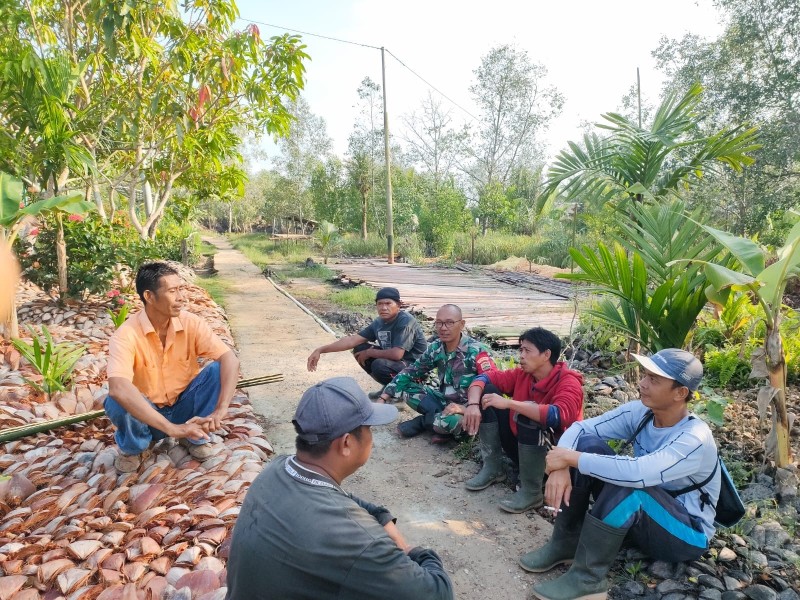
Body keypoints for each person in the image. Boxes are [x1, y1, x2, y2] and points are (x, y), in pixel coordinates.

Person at [225, 377, 454, 600]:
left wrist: (382, 518)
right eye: (368, 429)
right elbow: (438, 593)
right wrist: (411, 550)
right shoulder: (360, 540)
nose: (371, 437)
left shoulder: (277, 468)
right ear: (346, 443)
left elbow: (345, 498)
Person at [521, 349, 719, 600]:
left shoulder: (695, 438)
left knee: (628, 483)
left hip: (686, 533)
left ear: (680, 393)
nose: (643, 383)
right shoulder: (641, 413)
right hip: (647, 516)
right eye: (645, 376)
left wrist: (569, 458)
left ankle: (588, 579)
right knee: (589, 444)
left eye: (654, 380)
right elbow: (581, 428)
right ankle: (566, 542)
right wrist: (561, 466)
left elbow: (637, 473)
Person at [105, 262, 240, 473]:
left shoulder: (191, 323)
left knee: (216, 371)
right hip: (147, 417)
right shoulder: (126, 335)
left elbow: (229, 358)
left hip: (184, 409)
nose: (181, 298)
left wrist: (221, 410)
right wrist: (172, 430)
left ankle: (194, 435)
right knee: (116, 397)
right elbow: (118, 388)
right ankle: (137, 446)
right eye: (172, 291)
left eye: (181, 289)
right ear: (149, 296)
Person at [463, 327, 584, 513]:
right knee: (487, 393)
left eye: (527, 351)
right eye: (520, 350)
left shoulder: (569, 382)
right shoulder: (523, 374)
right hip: (522, 446)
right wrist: (472, 405)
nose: (521, 356)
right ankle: (493, 467)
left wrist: (511, 404)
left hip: (556, 460)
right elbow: (484, 377)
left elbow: (558, 415)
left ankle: (532, 491)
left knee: (528, 414)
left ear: (546, 355)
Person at [379, 304, 497, 443]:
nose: (443, 328)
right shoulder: (436, 348)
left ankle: (424, 422)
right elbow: (411, 371)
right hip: (444, 402)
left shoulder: (477, 351)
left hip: (470, 409)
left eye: (449, 323)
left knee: (453, 421)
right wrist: (383, 398)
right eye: (439, 323)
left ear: (462, 324)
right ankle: (439, 426)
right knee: (406, 387)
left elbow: (492, 388)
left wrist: (466, 408)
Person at [307, 287, 427, 397]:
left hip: (416, 369)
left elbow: (397, 354)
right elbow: (352, 340)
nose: (384, 308)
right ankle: (389, 387)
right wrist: (321, 350)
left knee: (379, 365)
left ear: (398, 305)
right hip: (399, 365)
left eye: (388, 303)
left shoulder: (406, 321)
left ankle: (401, 392)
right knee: (359, 349)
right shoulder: (379, 322)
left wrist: (370, 353)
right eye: (380, 304)